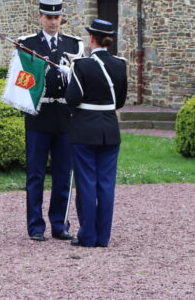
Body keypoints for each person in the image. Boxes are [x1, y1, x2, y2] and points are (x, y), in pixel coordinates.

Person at [19, 0, 83, 241]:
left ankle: (59, 223)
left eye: (57, 17)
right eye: (48, 17)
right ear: (40, 17)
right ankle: (35, 225)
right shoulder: (28, 44)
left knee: (63, 173)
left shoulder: (73, 44)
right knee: (35, 174)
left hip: (65, 116)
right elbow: (22, 81)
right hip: (39, 115)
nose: (53, 22)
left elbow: (79, 80)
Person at [65, 19, 127, 248]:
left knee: (87, 183)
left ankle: (88, 236)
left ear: (92, 39)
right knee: (106, 184)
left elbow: (71, 99)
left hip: (84, 130)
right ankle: (103, 237)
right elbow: (119, 101)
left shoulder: (81, 66)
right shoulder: (120, 64)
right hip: (110, 129)